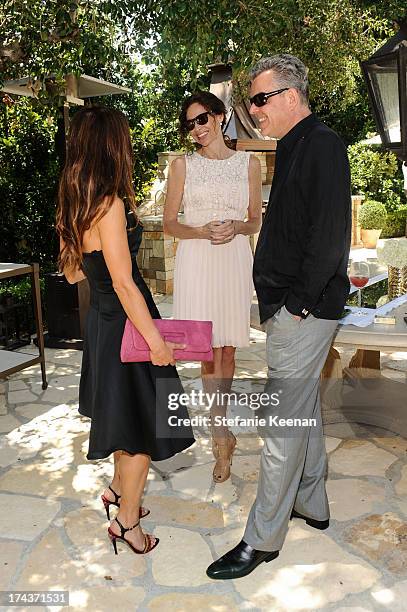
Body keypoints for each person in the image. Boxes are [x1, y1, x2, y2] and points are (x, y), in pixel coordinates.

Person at [207, 54, 351, 579]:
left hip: (301, 310)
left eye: (260, 99)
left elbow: (330, 235)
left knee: (282, 425)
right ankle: (312, 502)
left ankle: (262, 538)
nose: (252, 109)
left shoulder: (324, 145)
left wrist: (298, 305)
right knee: (302, 406)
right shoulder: (292, 148)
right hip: (288, 307)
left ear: (291, 96)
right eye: (251, 99)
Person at [56, 106, 195, 557]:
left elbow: (74, 273)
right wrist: (156, 341)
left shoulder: (74, 197)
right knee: (140, 431)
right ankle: (128, 525)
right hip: (127, 325)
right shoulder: (111, 202)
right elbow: (123, 281)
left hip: (102, 321)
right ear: (113, 145)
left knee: (123, 418)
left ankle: (118, 490)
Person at [164, 91, 262, 483]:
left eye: (202, 119)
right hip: (198, 259)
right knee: (206, 349)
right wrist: (201, 231)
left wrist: (237, 226)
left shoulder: (249, 164)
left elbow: (255, 220)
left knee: (227, 347)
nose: (197, 130)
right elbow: (170, 224)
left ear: (220, 116)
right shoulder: (181, 166)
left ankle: (220, 430)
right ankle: (220, 434)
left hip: (234, 258)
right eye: (190, 125)